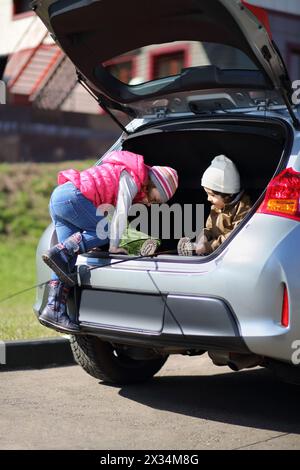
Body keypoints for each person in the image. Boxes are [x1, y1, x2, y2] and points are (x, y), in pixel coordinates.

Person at [39, 150, 178, 333]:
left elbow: (104, 211)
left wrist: (90, 242)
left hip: (59, 197)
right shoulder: (131, 176)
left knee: (65, 262)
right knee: (102, 232)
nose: (151, 203)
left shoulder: (122, 172)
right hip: (72, 197)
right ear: (153, 184)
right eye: (154, 198)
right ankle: (61, 251)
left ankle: (53, 309)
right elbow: (119, 213)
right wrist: (114, 246)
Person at [177, 155, 251, 256]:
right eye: (207, 194)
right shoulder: (216, 207)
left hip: (232, 255)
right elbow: (209, 228)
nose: (208, 198)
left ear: (228, 194)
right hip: (216, 254)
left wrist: (209, 246)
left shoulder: (242, 208)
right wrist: (203, 238)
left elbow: (236, 236)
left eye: (212, 195)